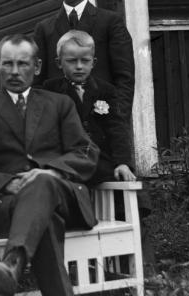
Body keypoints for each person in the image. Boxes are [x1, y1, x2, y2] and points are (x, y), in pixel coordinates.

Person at [0, 34, 99, 296]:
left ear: (36, 67)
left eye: (22, 64)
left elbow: (85, 151)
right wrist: (6, 183)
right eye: (8, 64)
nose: (14, 71)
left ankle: (13, 263)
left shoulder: (59, 104)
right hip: (8, 203)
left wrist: (51, 171)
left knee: (42, 183)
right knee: (45, 217)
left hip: (62, 194)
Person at [33, 0, 135, 117]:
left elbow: (124, 78)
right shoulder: (44, 29)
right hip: (59, 122)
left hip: (101, 121)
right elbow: (37, 82)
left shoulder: (110, 22)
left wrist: (117, 120)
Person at [43, 30, 136, 184]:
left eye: (85, 61)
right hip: (66, 158)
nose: (79, 66)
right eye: (72, 61)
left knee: (124, 184)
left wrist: (122, 162)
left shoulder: (105, 90)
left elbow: (116, 128)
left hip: (100, 161)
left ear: (93, 62)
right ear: (59, 63)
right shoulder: (51, 89)